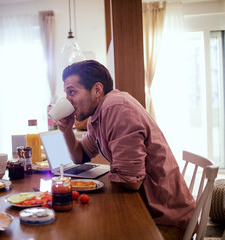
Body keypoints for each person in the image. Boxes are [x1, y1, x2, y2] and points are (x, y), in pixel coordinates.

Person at [57, 60, 195, 240]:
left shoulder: (116, 108)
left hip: (165, 219)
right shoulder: (98, 117)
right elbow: (80, 155)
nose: (67, 100)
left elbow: (130, 181)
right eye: (66, 93)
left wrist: (110, 175)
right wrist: (66, 131)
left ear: (97, 90)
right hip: (149, 209)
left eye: (72, 92)